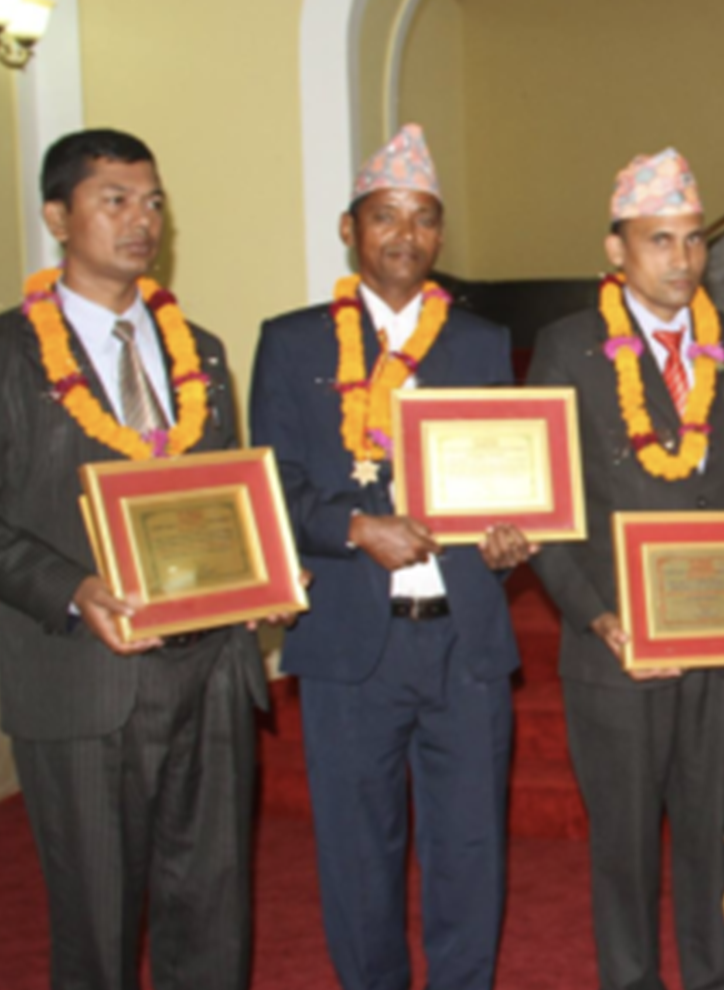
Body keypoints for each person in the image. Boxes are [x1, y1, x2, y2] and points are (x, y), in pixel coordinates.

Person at [252, 124, 534, 990]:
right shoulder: (294, 344)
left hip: (464, 640)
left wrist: (512, 540)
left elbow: (512, 475)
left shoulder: (483, 345)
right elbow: (273, 488)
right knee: (354, 853)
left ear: (439, 235)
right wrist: (355, 528)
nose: (403, 236)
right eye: (385, 217)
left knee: (471, 849)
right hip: (349, 645)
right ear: (350, 229)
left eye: (421, 219)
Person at [526, 148, 724, 990]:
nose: (682, 261)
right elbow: (547, 506)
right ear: (616, 250)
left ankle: (716, 977)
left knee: (705, 831)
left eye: (693, 241)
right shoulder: (570, 349)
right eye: (660, 241)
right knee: (622, 842)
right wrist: (594, 614)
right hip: (618, 646)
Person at [0, 129, 269, 990]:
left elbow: (225, 500)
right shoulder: (7, 356)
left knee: (213, 910)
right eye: (113, 199)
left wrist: (262, 576)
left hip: (212, 671)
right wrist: (74, 589)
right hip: (82, 675)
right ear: (56, 215)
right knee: (98, 926)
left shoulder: (204, 352)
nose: (141, 220)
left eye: (152, 201)